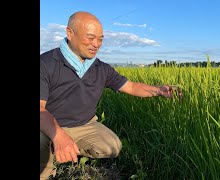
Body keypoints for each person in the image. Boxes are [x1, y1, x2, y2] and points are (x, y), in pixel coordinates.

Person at [40, 11, 181, 179]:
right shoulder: (46, 63)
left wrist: (158, 90)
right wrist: (60, 136)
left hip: (84, 124)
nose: (96, 44)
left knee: (112, 146)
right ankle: (47, 170)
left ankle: (64, 150)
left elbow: (131, 86)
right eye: (90, 38)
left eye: (100, 39)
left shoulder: (101, 69)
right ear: (70, 33)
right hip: (49, 124)